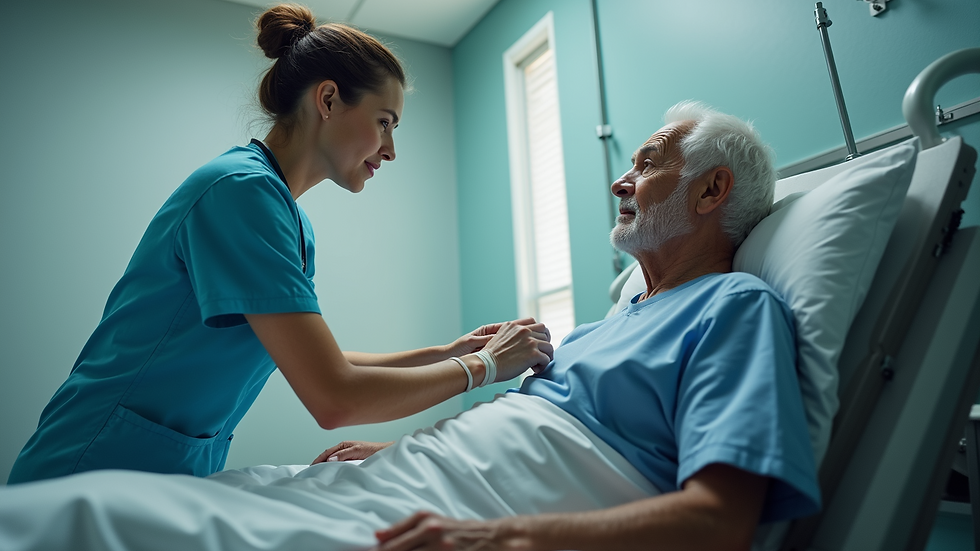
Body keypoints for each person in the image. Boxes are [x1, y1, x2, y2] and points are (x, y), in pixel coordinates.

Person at [0, 102, 819, 551]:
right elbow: (336, 375)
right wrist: (404, 444)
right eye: (385, 121)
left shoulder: (732, 308)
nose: (621, 177)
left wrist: (506, 536)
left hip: (476, 509)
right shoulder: (616, 322)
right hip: (411, 478)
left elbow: (719, 520)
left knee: (98, 525)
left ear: (712, 194)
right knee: (105, 515)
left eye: (648, 159)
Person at [6, 4, 552, 485]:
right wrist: (481, 367)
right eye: (384, 122)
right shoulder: (240, 193)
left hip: (162, 469)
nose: (390, 149)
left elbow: (310, 357)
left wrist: (448, 351)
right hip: (93, 465)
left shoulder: (283, 212)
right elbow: (334, 396)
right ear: (330, 99)